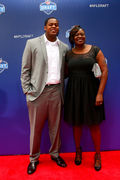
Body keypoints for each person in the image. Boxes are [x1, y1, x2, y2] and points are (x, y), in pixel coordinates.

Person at [21, 17, 69, 175]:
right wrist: (27, 90)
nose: (54, 27)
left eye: (56, 25)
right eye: (51, 25)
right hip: (37, 94)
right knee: (35, 129)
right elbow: (25, 69)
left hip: (56, 92)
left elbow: (66, 71)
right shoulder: (32, 43)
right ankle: (34, 159)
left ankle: (55, 154)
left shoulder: (64, 47)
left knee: (55, 128)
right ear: (45, 27)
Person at [64, 25, 108, 171]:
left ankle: (97, 154)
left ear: (85, 35)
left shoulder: (95, 50)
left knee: (94, 124)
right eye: (76, 35)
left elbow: (104, 71)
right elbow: (65, 73)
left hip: (91, 91)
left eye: (82, 34)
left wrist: (100, 93)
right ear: (72, 38)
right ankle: (78, 151)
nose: (80, 36)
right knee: (76, 124)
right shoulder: (68, 54)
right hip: (74, 92)